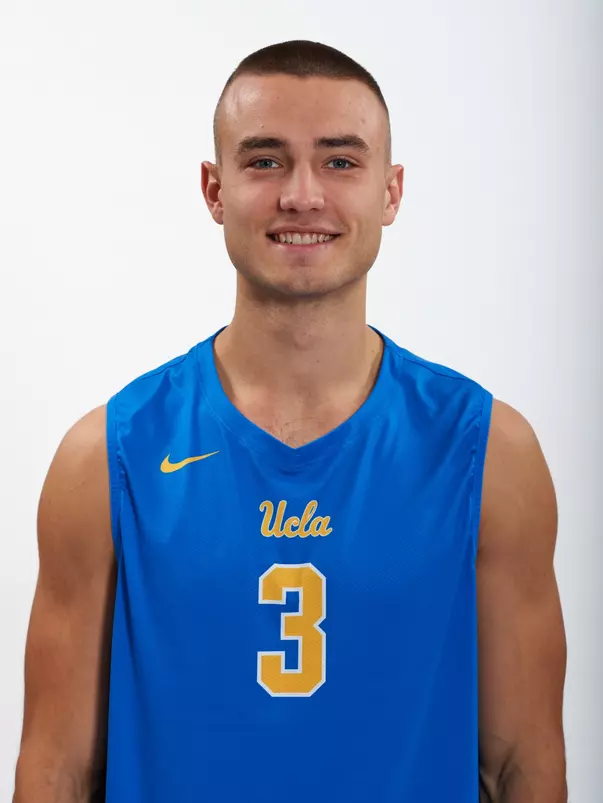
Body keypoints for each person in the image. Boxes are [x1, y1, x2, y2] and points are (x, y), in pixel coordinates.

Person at [13, 40, 567, 803]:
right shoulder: (107, 459)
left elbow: (522, 767)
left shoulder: (487, 454)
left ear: (390, 191)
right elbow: (56, 772)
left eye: (340, 162)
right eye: (265, 160)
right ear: (213, 189)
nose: (301, 195)